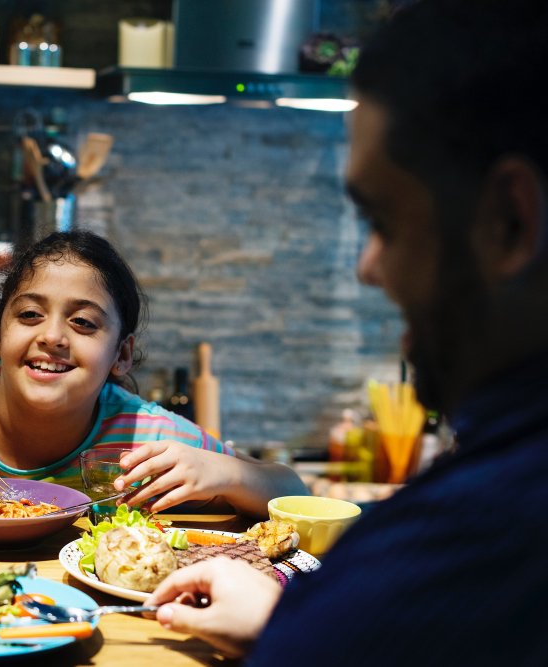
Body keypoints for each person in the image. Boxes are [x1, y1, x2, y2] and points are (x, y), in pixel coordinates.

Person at [144, 1, 548, 663]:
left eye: (383, 222)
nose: (368, 269)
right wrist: (293, 616)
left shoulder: (479, 534)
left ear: (508, 220)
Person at [0, 231, 306, 514]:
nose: (53, 336)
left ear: (120, 356)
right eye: (29, 315)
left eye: (83, 322)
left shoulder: (146, 435)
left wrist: (223, 471)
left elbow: (295, 493)